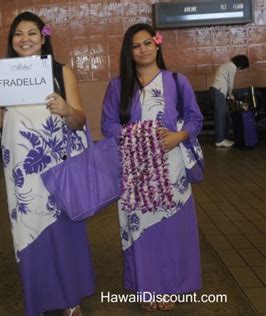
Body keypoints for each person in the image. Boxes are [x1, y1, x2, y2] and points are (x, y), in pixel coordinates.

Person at [0, 11, 95, 316]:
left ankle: (71, 299)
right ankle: (40, 299)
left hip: (59, 171)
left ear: (43, 38)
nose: (25, 39)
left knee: (63, 234)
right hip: (21, 175)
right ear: (12, 40)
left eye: (32, 32)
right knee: (28, 234)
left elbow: (80, 119)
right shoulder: (0, 77)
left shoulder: (61, 72)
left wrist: (66, 108)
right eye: (18, 33)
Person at [101, 23, 203, 311]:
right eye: (135, 45)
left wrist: (179, 136)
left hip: (171, 171)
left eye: (147, 43)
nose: (142, 49)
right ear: (128, 51)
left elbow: (195, 118)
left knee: (172, 229)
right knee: (141, 231)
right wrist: (133, 135)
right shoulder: (118, 86)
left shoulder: (176, 81)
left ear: (157, 44)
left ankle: (171, 286)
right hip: (134, 171)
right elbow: (107, 124)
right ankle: (147, 288)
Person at [209, 54, 250, 147]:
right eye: (242, 68)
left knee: (226, 115)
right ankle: (219, 140)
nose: (240, 69)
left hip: (218, 91)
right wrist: (230, 94)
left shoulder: (228, 65)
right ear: (241, 64)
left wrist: (228, 94)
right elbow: (230, 82)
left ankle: (224, 138)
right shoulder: (232, 66)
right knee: (221, 117)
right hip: (218, 91)